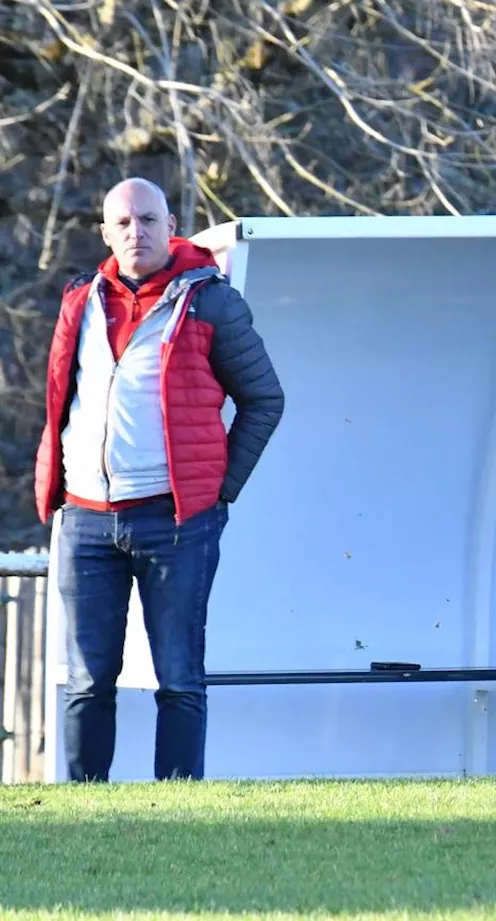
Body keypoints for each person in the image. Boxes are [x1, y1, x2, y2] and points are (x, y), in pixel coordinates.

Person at [34, 177, 285, 782]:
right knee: (87, 679)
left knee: (179, 677)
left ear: (171, 225)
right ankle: (82, 809)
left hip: (176, 521)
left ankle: (177, 806)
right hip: (86, 518)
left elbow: (265, 400)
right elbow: (59, 402)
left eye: (147, 220)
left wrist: (218, 489)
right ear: (105, 233)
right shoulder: (80, 302)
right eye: (122, 223)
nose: (135, 232)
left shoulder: (210, 301)